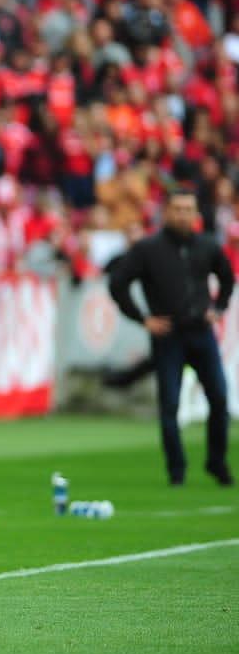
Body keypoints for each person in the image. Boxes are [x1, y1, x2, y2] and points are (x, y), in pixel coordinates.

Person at [107, 189, 234, 487]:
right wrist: (143, 319)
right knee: (170, 405)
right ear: (166, 212)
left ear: (196, 214)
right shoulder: (148, 249)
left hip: (201, 332)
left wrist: (219, 307)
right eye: (177, 209)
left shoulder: (207, 245)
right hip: (169, 335)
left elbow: (227, 278)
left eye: (188, 209)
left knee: (219, 398)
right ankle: (176, 470)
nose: (183, 215)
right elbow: (118, 283)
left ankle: (217, 462)